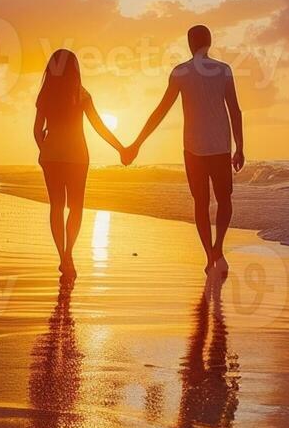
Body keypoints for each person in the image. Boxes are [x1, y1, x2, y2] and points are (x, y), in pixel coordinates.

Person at [123, 25, 245, 274]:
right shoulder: (224, 70)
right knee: (224, 200)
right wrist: (240, 146)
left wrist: (136, 143)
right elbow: (235, 109)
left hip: (192, 149)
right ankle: (218, 247)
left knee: (201, 203)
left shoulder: (180, 72)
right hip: (221, 147)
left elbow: (160, 111)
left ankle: (208, 255)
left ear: (190, 44)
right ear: (209, 42)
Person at [34, 49, 126, 279]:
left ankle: (62, 257)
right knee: (76, 207)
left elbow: (36, 130)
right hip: (76, 157)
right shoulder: (81, 95)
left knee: (56, 205)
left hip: (51, 156)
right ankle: (69, 254)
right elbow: (100, 127)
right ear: (75, 70)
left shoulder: (45, 95)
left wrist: (43, 147)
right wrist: (121, 149)